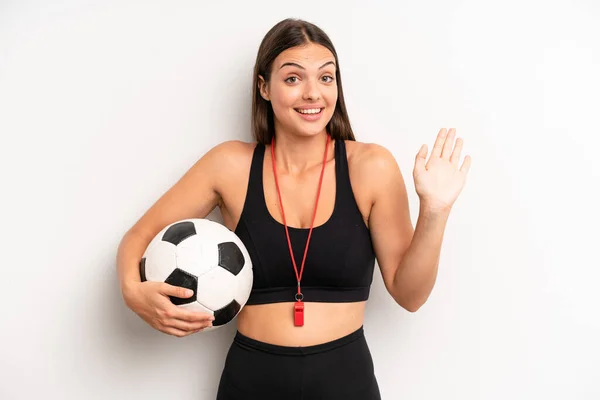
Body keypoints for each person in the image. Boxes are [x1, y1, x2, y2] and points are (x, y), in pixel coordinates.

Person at [117, 18, 471, 399]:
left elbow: (409, 294)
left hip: (346, 382)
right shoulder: (229, 165)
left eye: (326, 78)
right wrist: (131, 292)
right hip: (250, 382)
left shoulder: (370, 167)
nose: (313, 94)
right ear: (264, 87)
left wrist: (435, 212)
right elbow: (139, 236)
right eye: (292, 78)